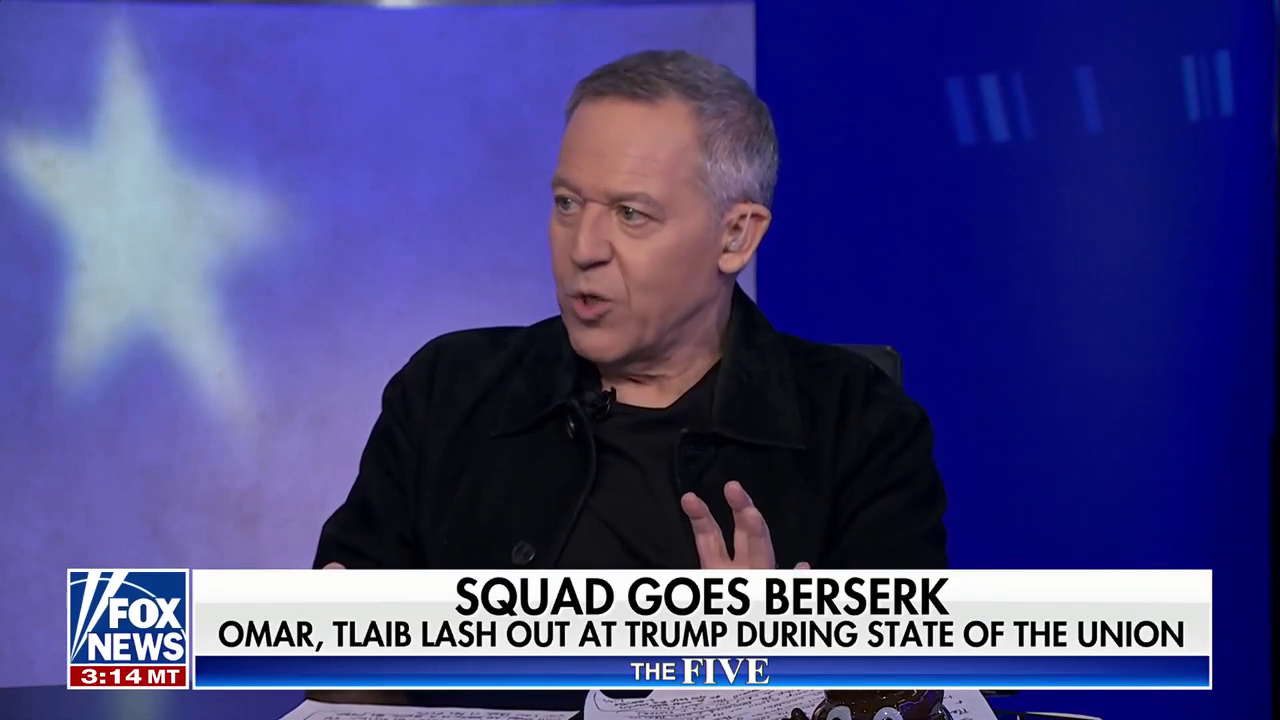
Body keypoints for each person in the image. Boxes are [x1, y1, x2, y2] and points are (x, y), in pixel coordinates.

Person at [314, 50, 946, 572]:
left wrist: (772, 658)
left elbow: (907, 677)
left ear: (736, 236)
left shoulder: (861, 429)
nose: (583, 248)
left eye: (630, 214)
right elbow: (342, 657)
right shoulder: (447, 391)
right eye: (567, 203)